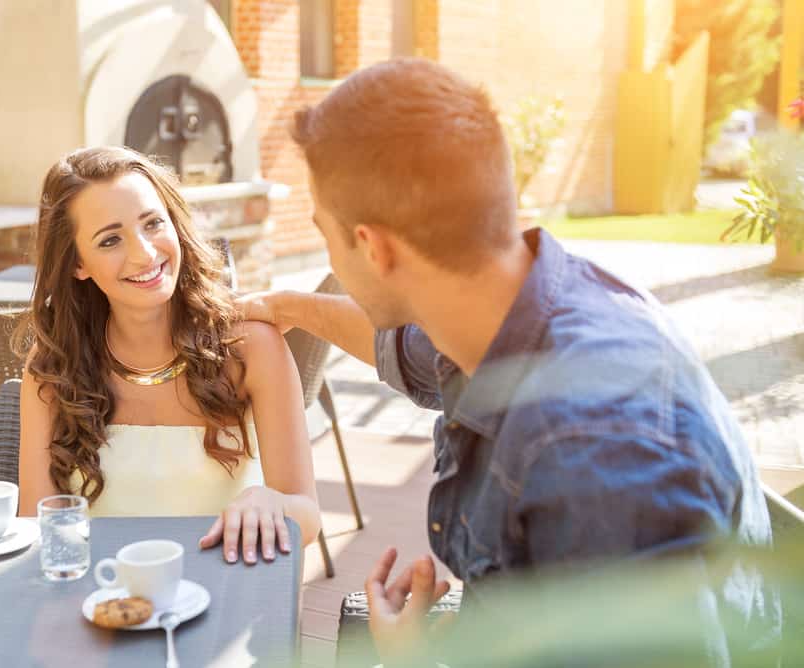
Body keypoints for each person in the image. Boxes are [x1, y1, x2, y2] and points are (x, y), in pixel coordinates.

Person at [239, 58, 780, 664]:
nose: (331, 260)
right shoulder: (508, 302)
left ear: (373, 246)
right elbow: (400, 346)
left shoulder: (594, 459)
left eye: (326, 235)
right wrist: (284, 305)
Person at [15, 146, 320, 564]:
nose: (144, 253)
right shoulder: (53, 364)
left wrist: (272, 502)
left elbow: (306, 513)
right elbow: (35, 522)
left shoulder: (251, 346)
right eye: (110, 240)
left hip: (227, 590)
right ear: (77, 264)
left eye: (153, 223)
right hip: (98, 601)